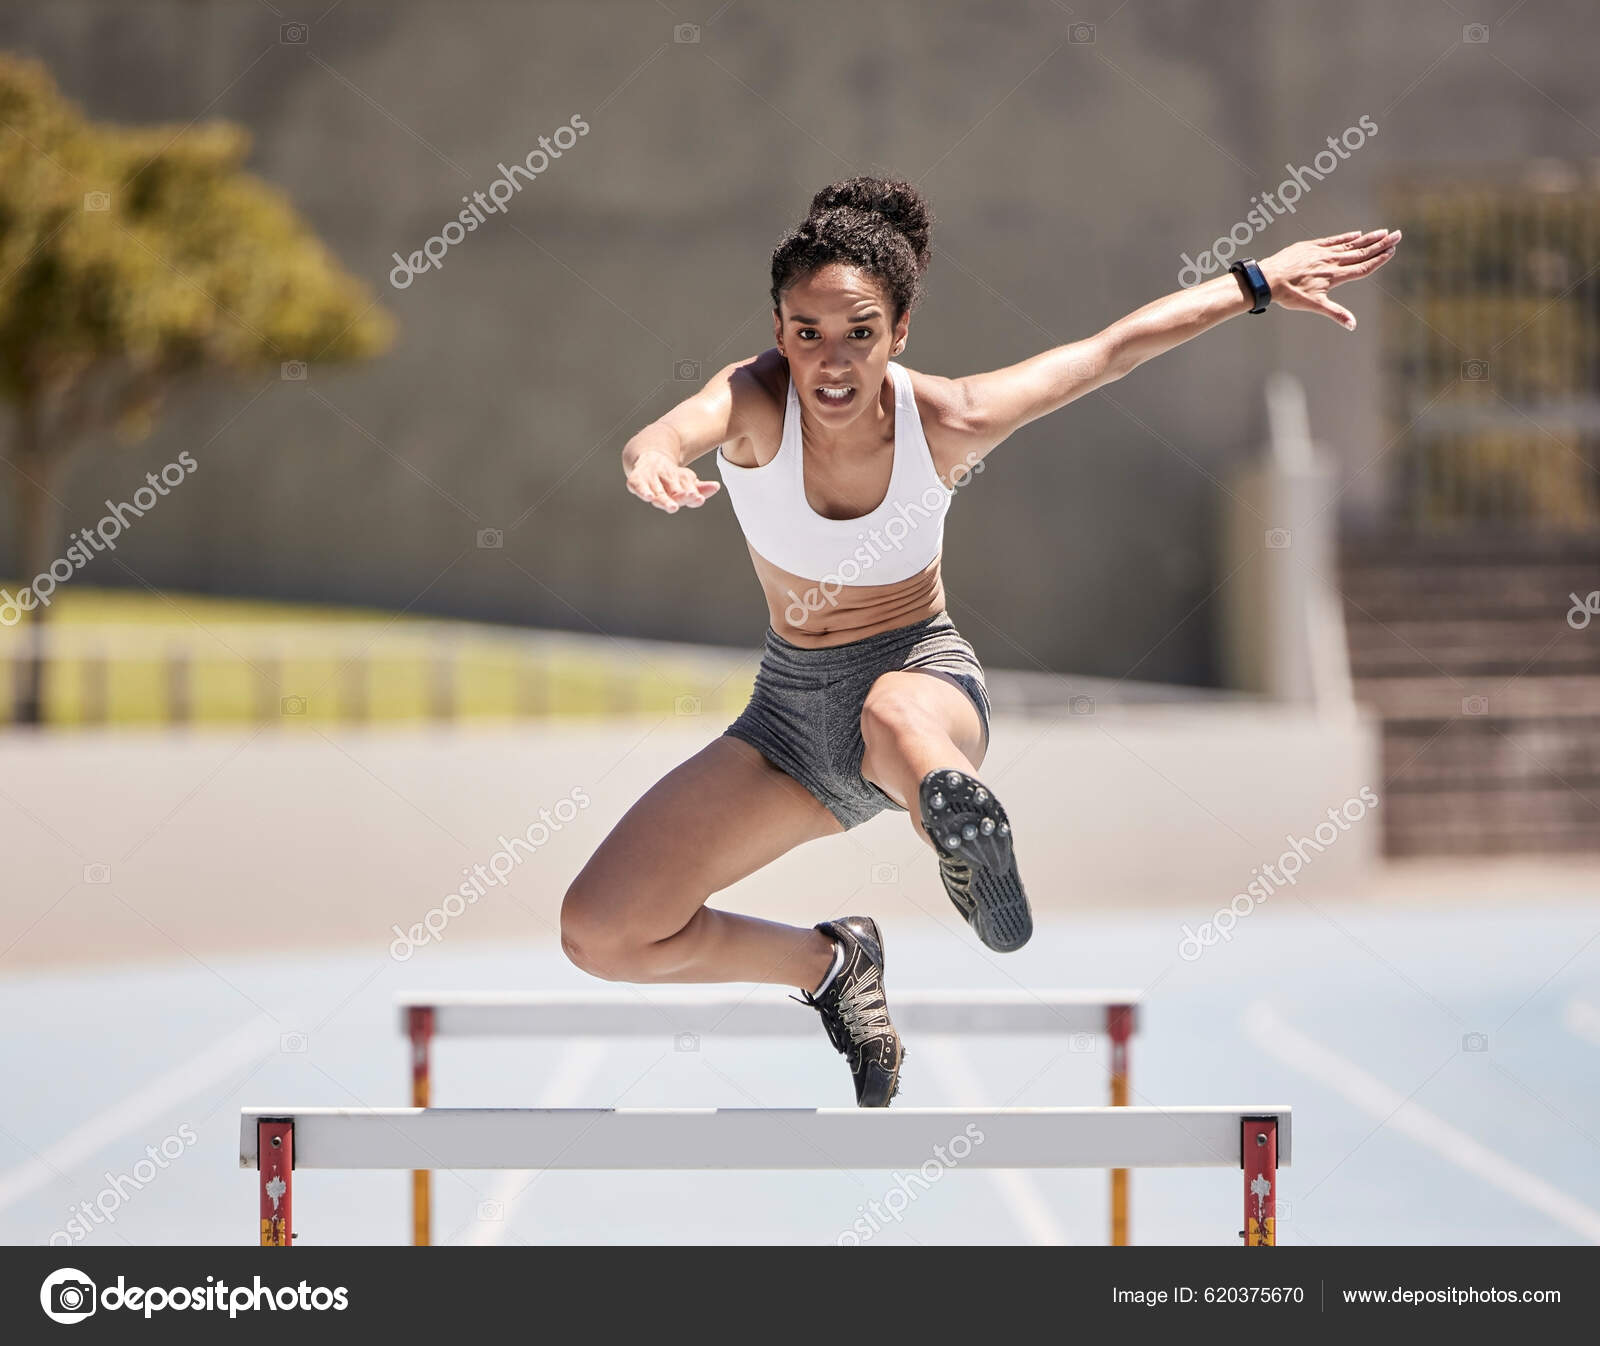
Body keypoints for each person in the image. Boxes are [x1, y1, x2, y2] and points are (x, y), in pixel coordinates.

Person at [561, 175, 1400, 1107]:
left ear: (901, 329)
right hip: (789, 722)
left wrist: (1256, 280)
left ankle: (953, 820)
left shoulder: (950, 420)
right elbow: (671, 431)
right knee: (603, 930)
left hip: (920, 676)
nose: (830, 364)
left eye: (860, 334)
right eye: (807, 335)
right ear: (778, 328)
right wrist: (650, 461)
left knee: (891, 715)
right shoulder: (755, 403)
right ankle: (832, 966)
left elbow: (1108, 352)